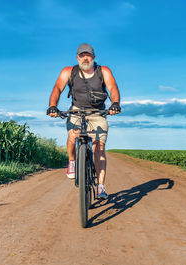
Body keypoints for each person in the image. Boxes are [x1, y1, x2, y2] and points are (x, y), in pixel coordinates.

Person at [47, 43, 121, 199]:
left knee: (99, 148)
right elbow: (57, 88)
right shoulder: (68, 72)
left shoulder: (103, 71)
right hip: (76, 111)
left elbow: (113, 87)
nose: (85, 58)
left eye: (88, 55)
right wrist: (52, 106)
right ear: (77, 57)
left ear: (93, 57)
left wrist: (115, 103)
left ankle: (101, 186)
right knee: (72, 135)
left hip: (97, 113)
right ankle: (72, 162)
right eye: (82, 55)